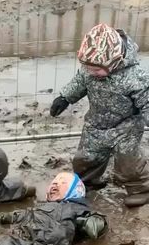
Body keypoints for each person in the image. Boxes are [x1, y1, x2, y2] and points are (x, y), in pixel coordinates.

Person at [50, 23, 149, 206]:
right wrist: (64, 98)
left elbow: (146, 98)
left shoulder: (136, 77)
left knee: (128, 161)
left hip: (125, 126)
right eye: (88, 68)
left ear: (115, 61)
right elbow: (79, 81)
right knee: (85, 157)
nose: (91, 72)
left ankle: (140, 188)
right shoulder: (90, 70)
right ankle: (87, 182)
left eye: (96, 70)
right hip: (96, 123)